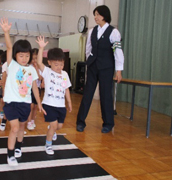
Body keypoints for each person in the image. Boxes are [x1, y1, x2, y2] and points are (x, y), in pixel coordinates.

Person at [0, 17, 46, 166]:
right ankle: (10, 154)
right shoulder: (11, 64)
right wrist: (6, 32)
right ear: (15, 56)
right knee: (14, 128)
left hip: (25, 104)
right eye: (21, 55)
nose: (24, 58)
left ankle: (19, 147)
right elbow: (9, 47)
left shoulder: (31, 69)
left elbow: (34, 88)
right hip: (11, 103)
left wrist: (39, 103)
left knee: (21, 127)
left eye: (27, 56)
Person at [76, 5, 124, 133]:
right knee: (87, 94)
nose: (95, 17)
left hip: (106, 68)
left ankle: (108, 123)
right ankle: (80, 122)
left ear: (104, 15)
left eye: (97, 14)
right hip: (93, 66)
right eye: (95, 14)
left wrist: (119, 70)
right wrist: (89, 61)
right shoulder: (92, 31)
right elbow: (88, 48)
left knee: (105, 95)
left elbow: (117, 51)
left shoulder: (114, 32)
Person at [36, 36, 72, 155]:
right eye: (56, 64)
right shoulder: (47, 72)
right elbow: (39, 62)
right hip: (49, 105)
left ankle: (53, 130)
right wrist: (41, 48)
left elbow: (66, 89)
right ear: (50, 62)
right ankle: (48, 145)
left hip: (61, 106)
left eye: (61, 64)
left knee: (59, 126)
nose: (59, 67)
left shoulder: (65, 74)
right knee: (53, 125)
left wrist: (69, 103)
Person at [26, 48, 43, 130]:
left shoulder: (40, 67)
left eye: (36, 58)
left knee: (35, 106)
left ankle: (32, 120)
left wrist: (36, 69)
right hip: (30, 89)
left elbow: (39, 78)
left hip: (38, 88)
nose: (34, 61)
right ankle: (28, 122)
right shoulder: (28, 67)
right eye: (33, 59)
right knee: (31, 106)